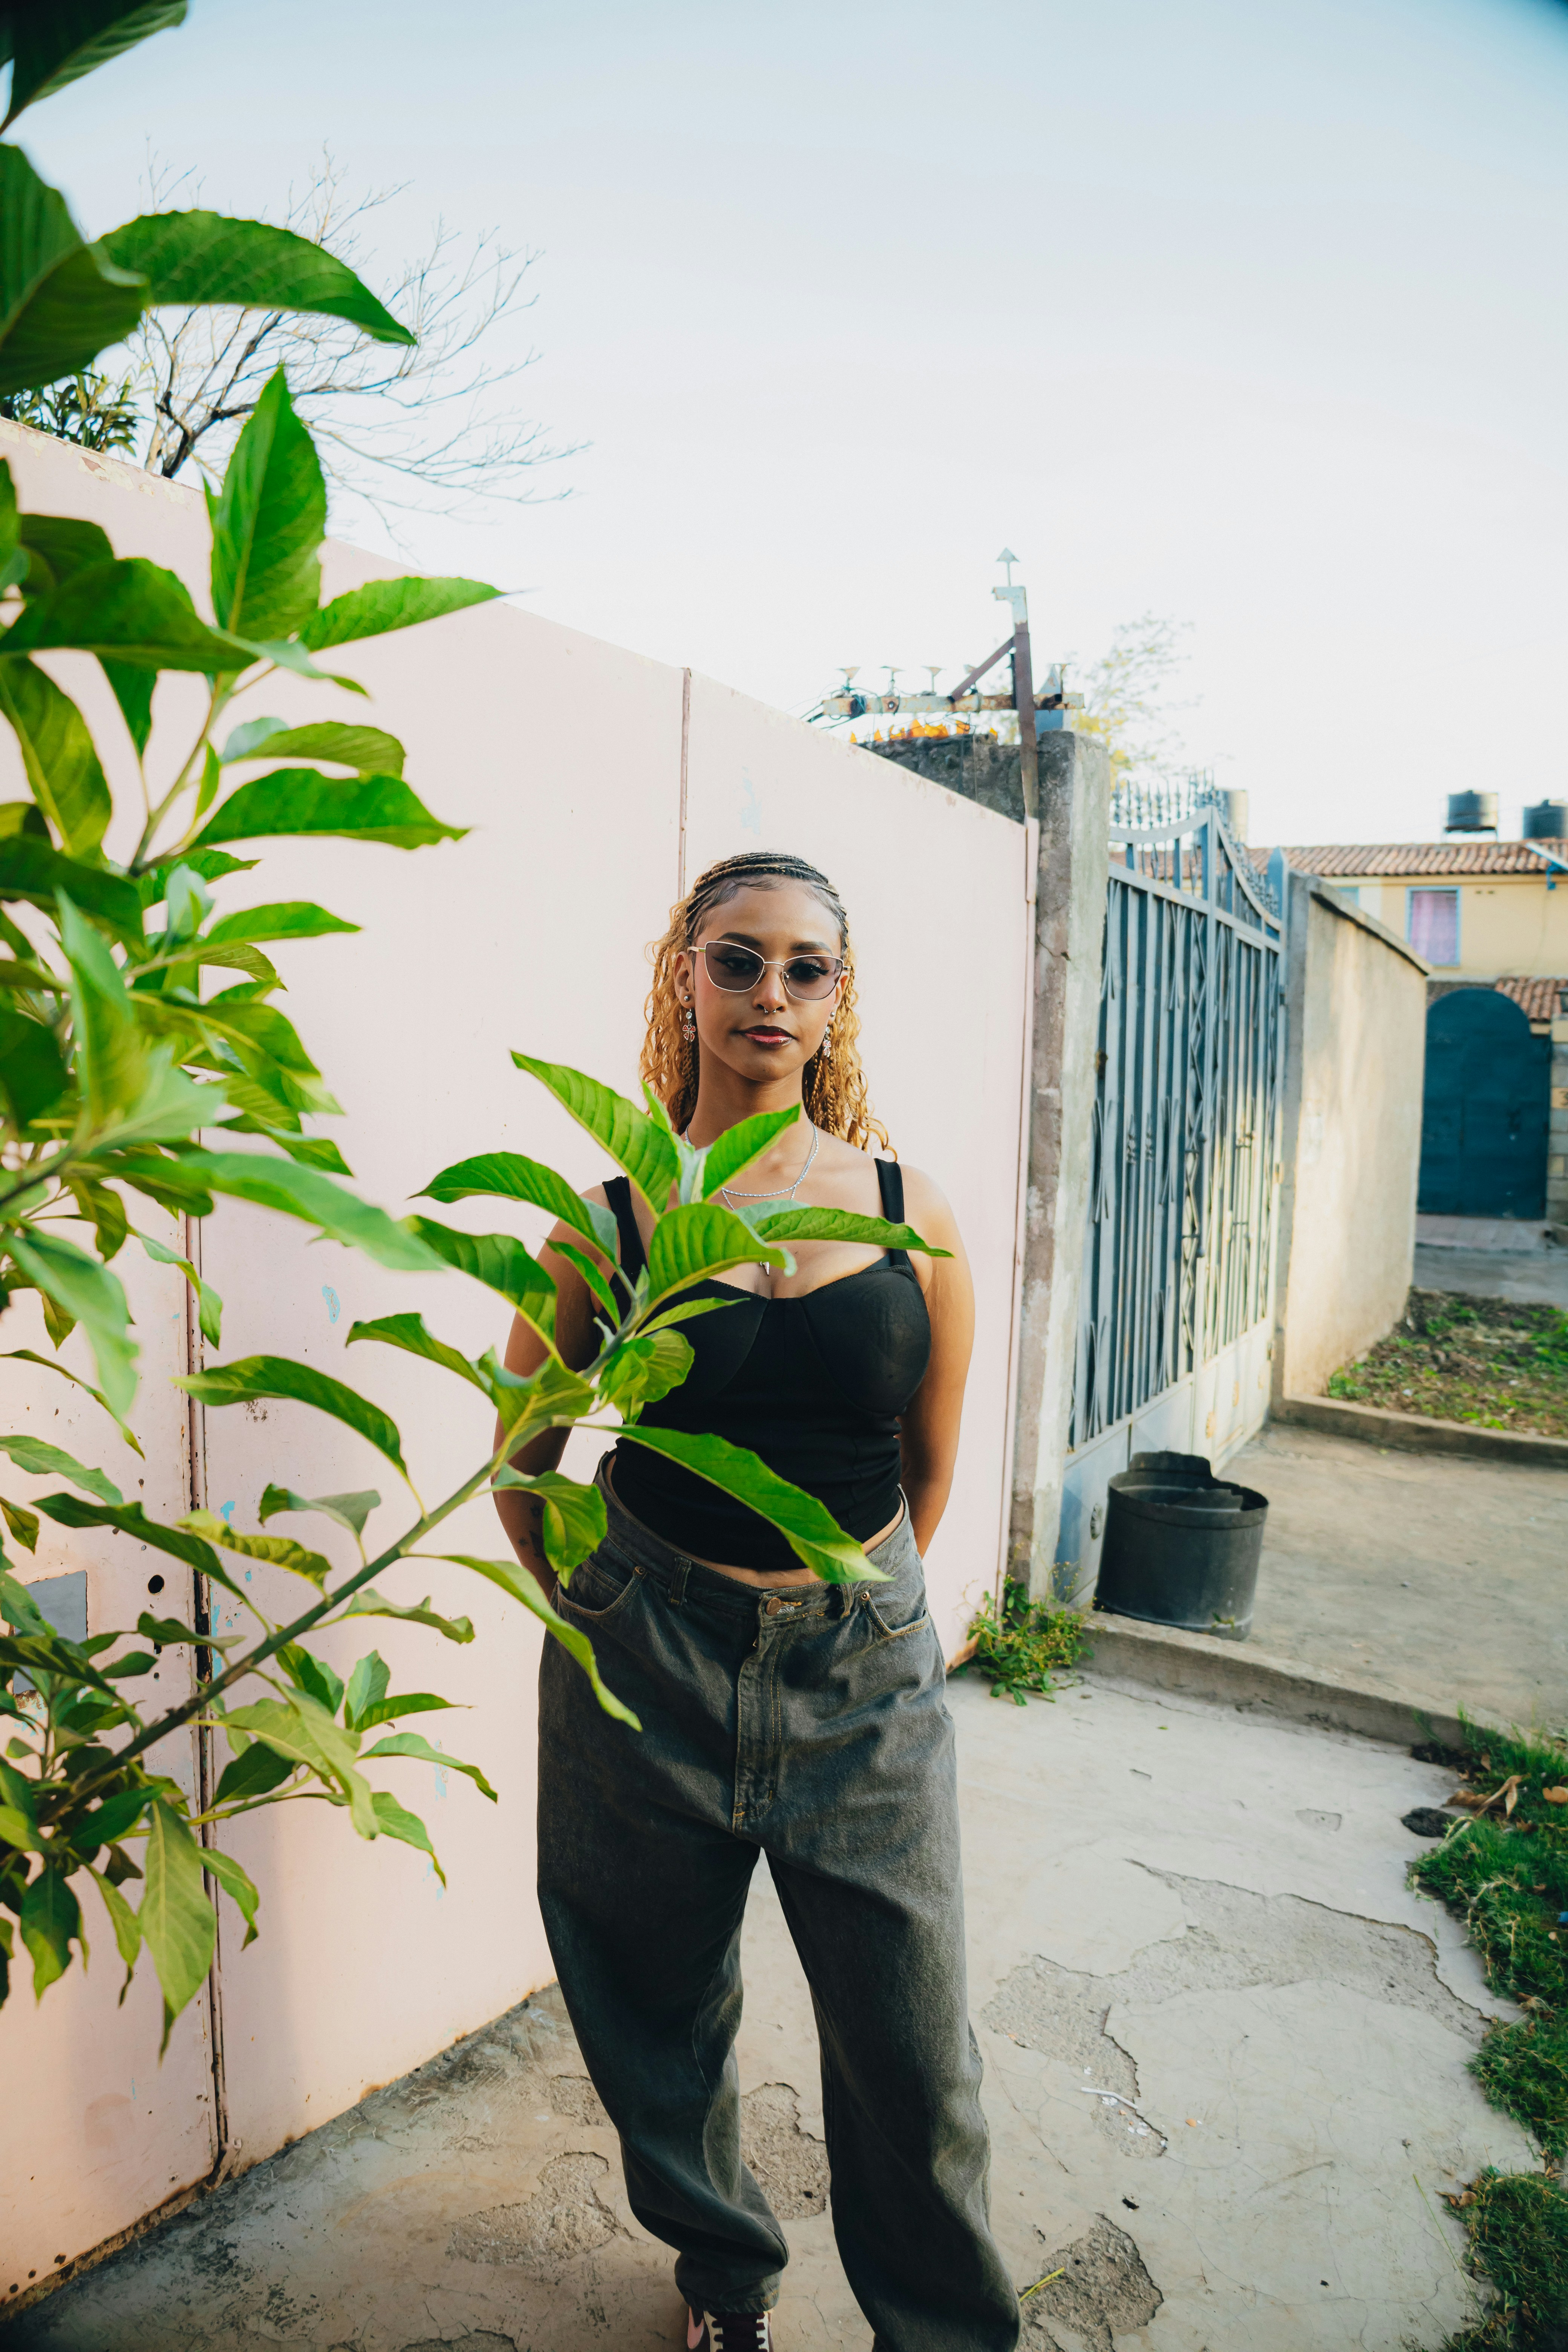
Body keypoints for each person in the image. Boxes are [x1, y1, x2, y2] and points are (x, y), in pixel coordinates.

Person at [495, 849, 1020, 2352]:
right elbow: (520, 1458)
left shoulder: (911, 1214)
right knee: (652, 2015)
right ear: (685, 975)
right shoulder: (608, 1219)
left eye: (805, 968)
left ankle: (942, 2330)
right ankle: (723, 2277)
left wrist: (843, 1604)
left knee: (911, 2054)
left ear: (837, 999)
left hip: (860, 1670)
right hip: (645, 1653)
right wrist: (607, 1616)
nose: (768, 994)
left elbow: (922, 1472)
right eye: (737, 960)